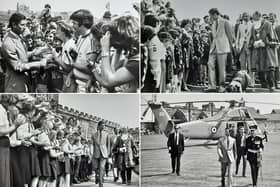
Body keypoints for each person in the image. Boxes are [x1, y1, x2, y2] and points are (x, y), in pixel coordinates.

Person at [1, 13, 48, 92]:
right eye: (22, 25)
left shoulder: (17, 36)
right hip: (15, 84)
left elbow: (21, 55)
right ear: (14, 25)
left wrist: (33, 52)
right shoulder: (8, 43)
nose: (25, 27)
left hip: (23, 81)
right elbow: (17, 66)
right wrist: (39, 64)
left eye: (25, 25)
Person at [92, 15, 140, 92]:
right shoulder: (134, 56)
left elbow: (107, 81)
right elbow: (113, 70)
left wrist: (105, 49)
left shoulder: (136, 62)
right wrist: (118, 49)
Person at [69, 9, 100, 93]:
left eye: (74, 23)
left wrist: (72, 64)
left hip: (85, 86)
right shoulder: (80, 37)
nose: (72, 26)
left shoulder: (92, 40)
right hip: (77, 83)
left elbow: (89, 68)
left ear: (82, 24)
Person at [206, 8, 234, 93]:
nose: (210, 17)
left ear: (215, 14)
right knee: (210, 64)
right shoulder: (213, 24)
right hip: (214, 47)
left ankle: (222, 86)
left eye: (211, 15)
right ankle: (212, 86)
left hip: (223, 47)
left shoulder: (226, 22)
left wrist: (231, 49)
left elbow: (230, 36)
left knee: (222, 68)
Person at [92, 121, 110, 187]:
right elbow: (92, 145)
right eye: (102, 125)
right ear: (99, 126)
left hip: (104, 154)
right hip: (96, 153)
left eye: (104, 125)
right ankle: (97, 176)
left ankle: (100, 183)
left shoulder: (106, 134)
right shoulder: (93, 135)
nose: (103, 127)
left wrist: (108, 153)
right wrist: (91, 153)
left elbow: (108, 145)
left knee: (102, 167)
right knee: (96, 168)